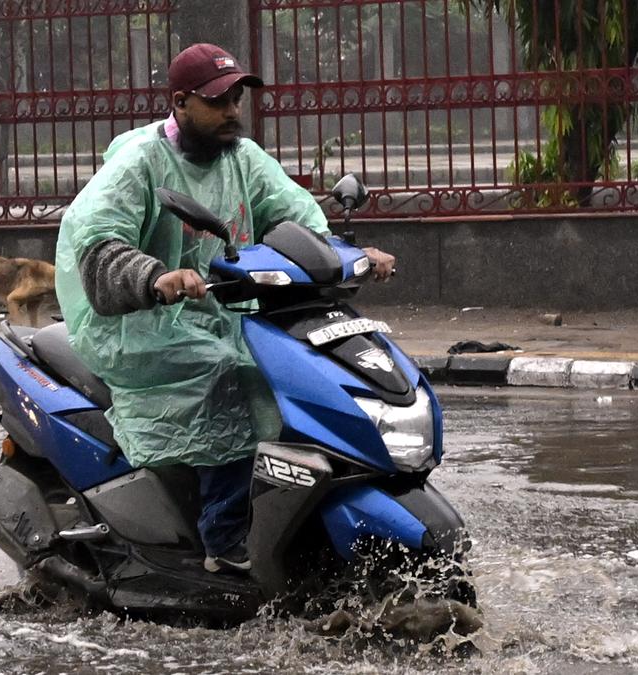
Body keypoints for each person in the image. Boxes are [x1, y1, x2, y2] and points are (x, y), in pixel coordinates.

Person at [55, 43, 396, 574]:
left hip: (222, 314)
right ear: (181, 102)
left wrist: (352, 255)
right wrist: (155, 277)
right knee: (233, 374)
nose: (233, 111)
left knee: (289, 369)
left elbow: (297, 218)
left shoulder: (242, 157)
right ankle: (223, 537)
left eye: (236, 98)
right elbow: (99, 244)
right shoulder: (138, 162)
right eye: (218, 101)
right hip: (142, 326)